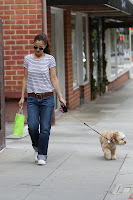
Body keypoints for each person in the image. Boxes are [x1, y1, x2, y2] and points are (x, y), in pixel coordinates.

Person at [19, 33, 66, 165]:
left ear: (45, 46)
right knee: (32, 126)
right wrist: (22, 96)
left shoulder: (50, 59)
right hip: (33, 98)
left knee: (45, 128)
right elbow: (25, 78)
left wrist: (60, 96)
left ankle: (42, 154)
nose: (38, 50)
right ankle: (37, 147)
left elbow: (54, 78)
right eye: (35, 47)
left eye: (40, 48)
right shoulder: (27, 59)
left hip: (47, 98)